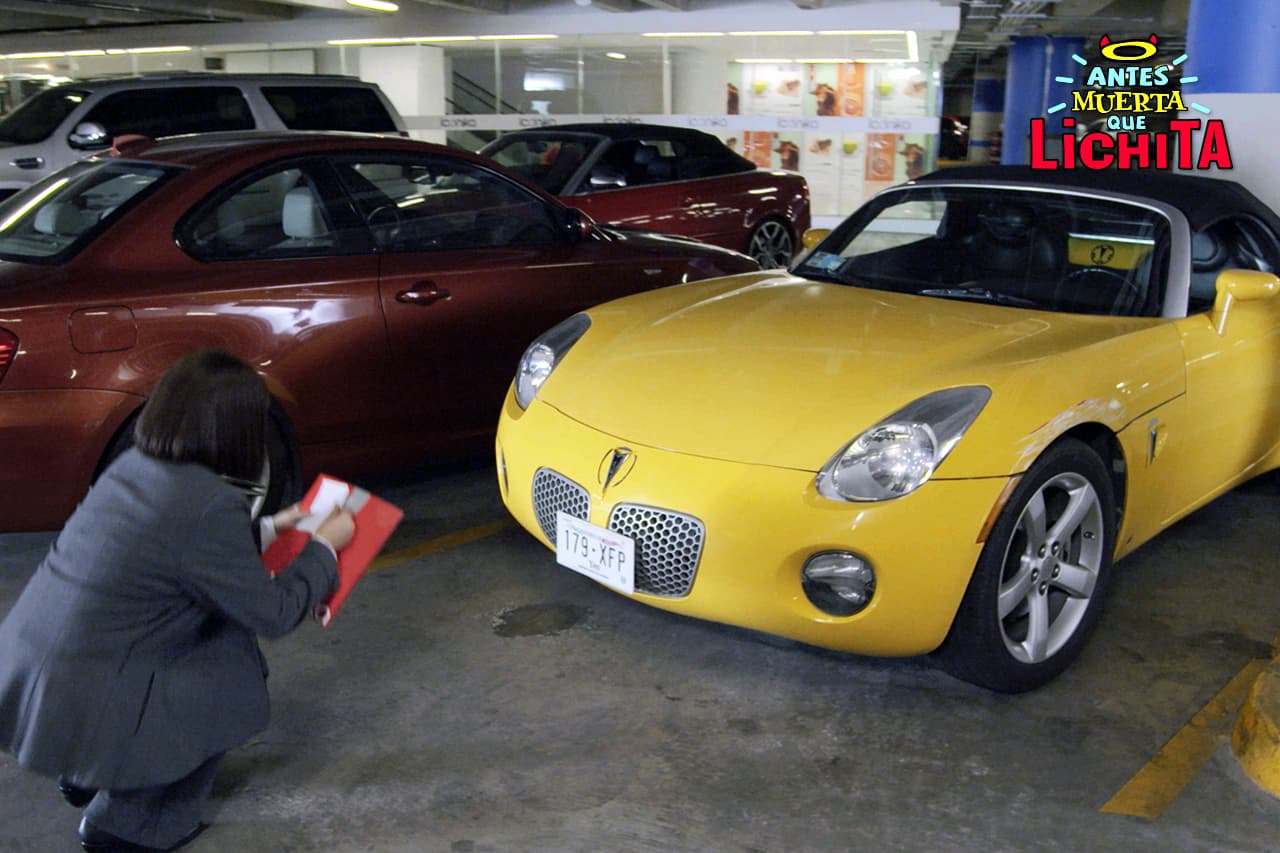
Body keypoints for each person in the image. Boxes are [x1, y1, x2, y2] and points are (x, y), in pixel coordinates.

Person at [0, 350, 355, 852]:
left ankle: (87, 766)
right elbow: (273, 613)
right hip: (93, 685)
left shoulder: (137, 468)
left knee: (206, 641)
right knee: (234, 671)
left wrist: (279, 524)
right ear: (235, 431)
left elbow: (178, 550)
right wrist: (325, 550)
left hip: (40, 671)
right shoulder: (207, 501)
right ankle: (127, 824)